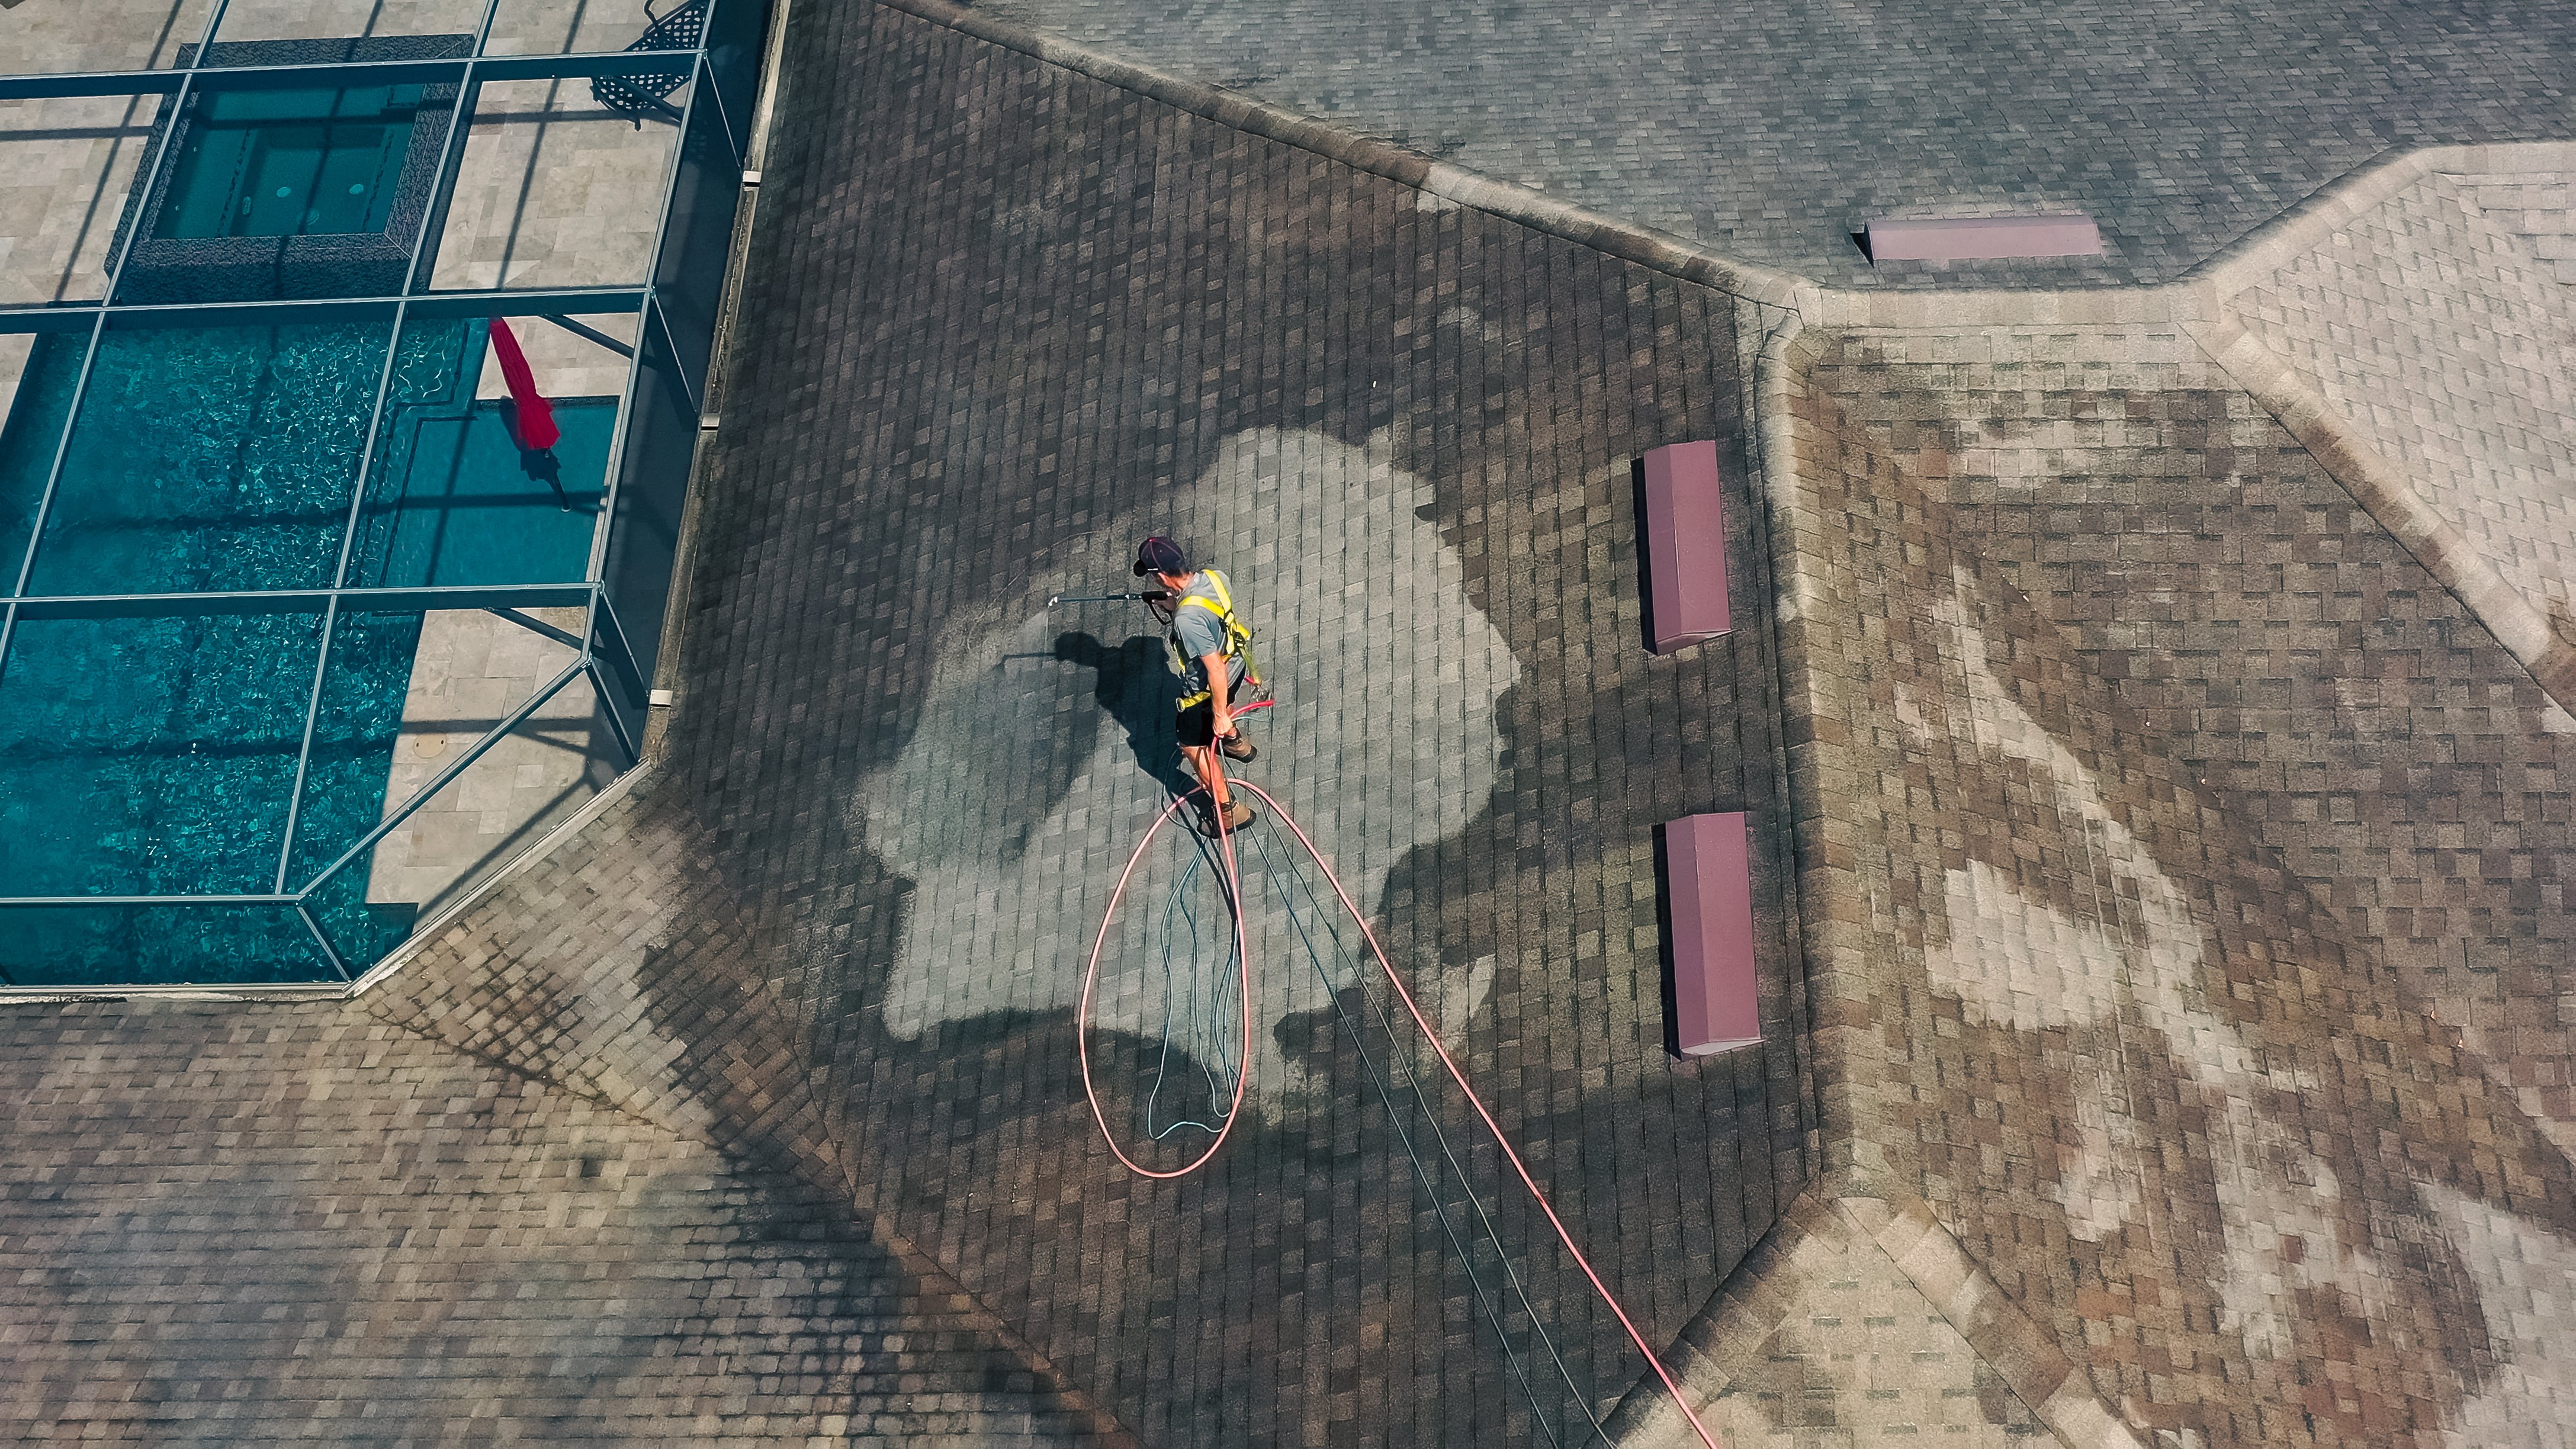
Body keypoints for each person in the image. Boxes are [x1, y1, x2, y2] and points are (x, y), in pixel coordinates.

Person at [1134, 535, 1263, 836]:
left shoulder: (1186, 620)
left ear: (1162, 576)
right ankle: (1236, 743)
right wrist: (1175, 604)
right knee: (1224, 708)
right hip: (1237, 666)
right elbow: (1207, 614)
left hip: (1208, 688)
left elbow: (1213, 669)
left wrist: (1218, 714)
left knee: (1192, 746)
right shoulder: (1214, 577)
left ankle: (1230, 811)